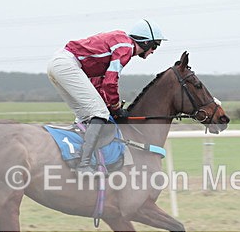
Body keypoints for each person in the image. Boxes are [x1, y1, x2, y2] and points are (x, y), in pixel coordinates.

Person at [47, 19, 166, 174]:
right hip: (67, 65)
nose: (154, 50)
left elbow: (98, 83)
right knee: (100, 113)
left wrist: (110, 105)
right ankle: (84, 164)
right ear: (145, 42)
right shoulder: (126, 48)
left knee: (85, 115)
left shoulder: (120, 41)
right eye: (155, 45)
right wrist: (115, 107)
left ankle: (77, 157)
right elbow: (110, 82)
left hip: (59, 64)